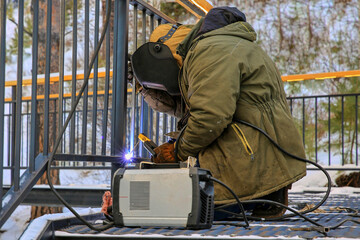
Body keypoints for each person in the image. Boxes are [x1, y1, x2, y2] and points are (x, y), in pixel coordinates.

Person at [131, 6, 306, 218]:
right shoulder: (226, 44)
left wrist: (178, 150)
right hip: (265, 157)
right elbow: (211, 107)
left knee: (182, 208)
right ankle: (269, 196)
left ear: (167, 50)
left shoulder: (208, 51)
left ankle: (253, 196)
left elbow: (210, 117)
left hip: (252, 159)